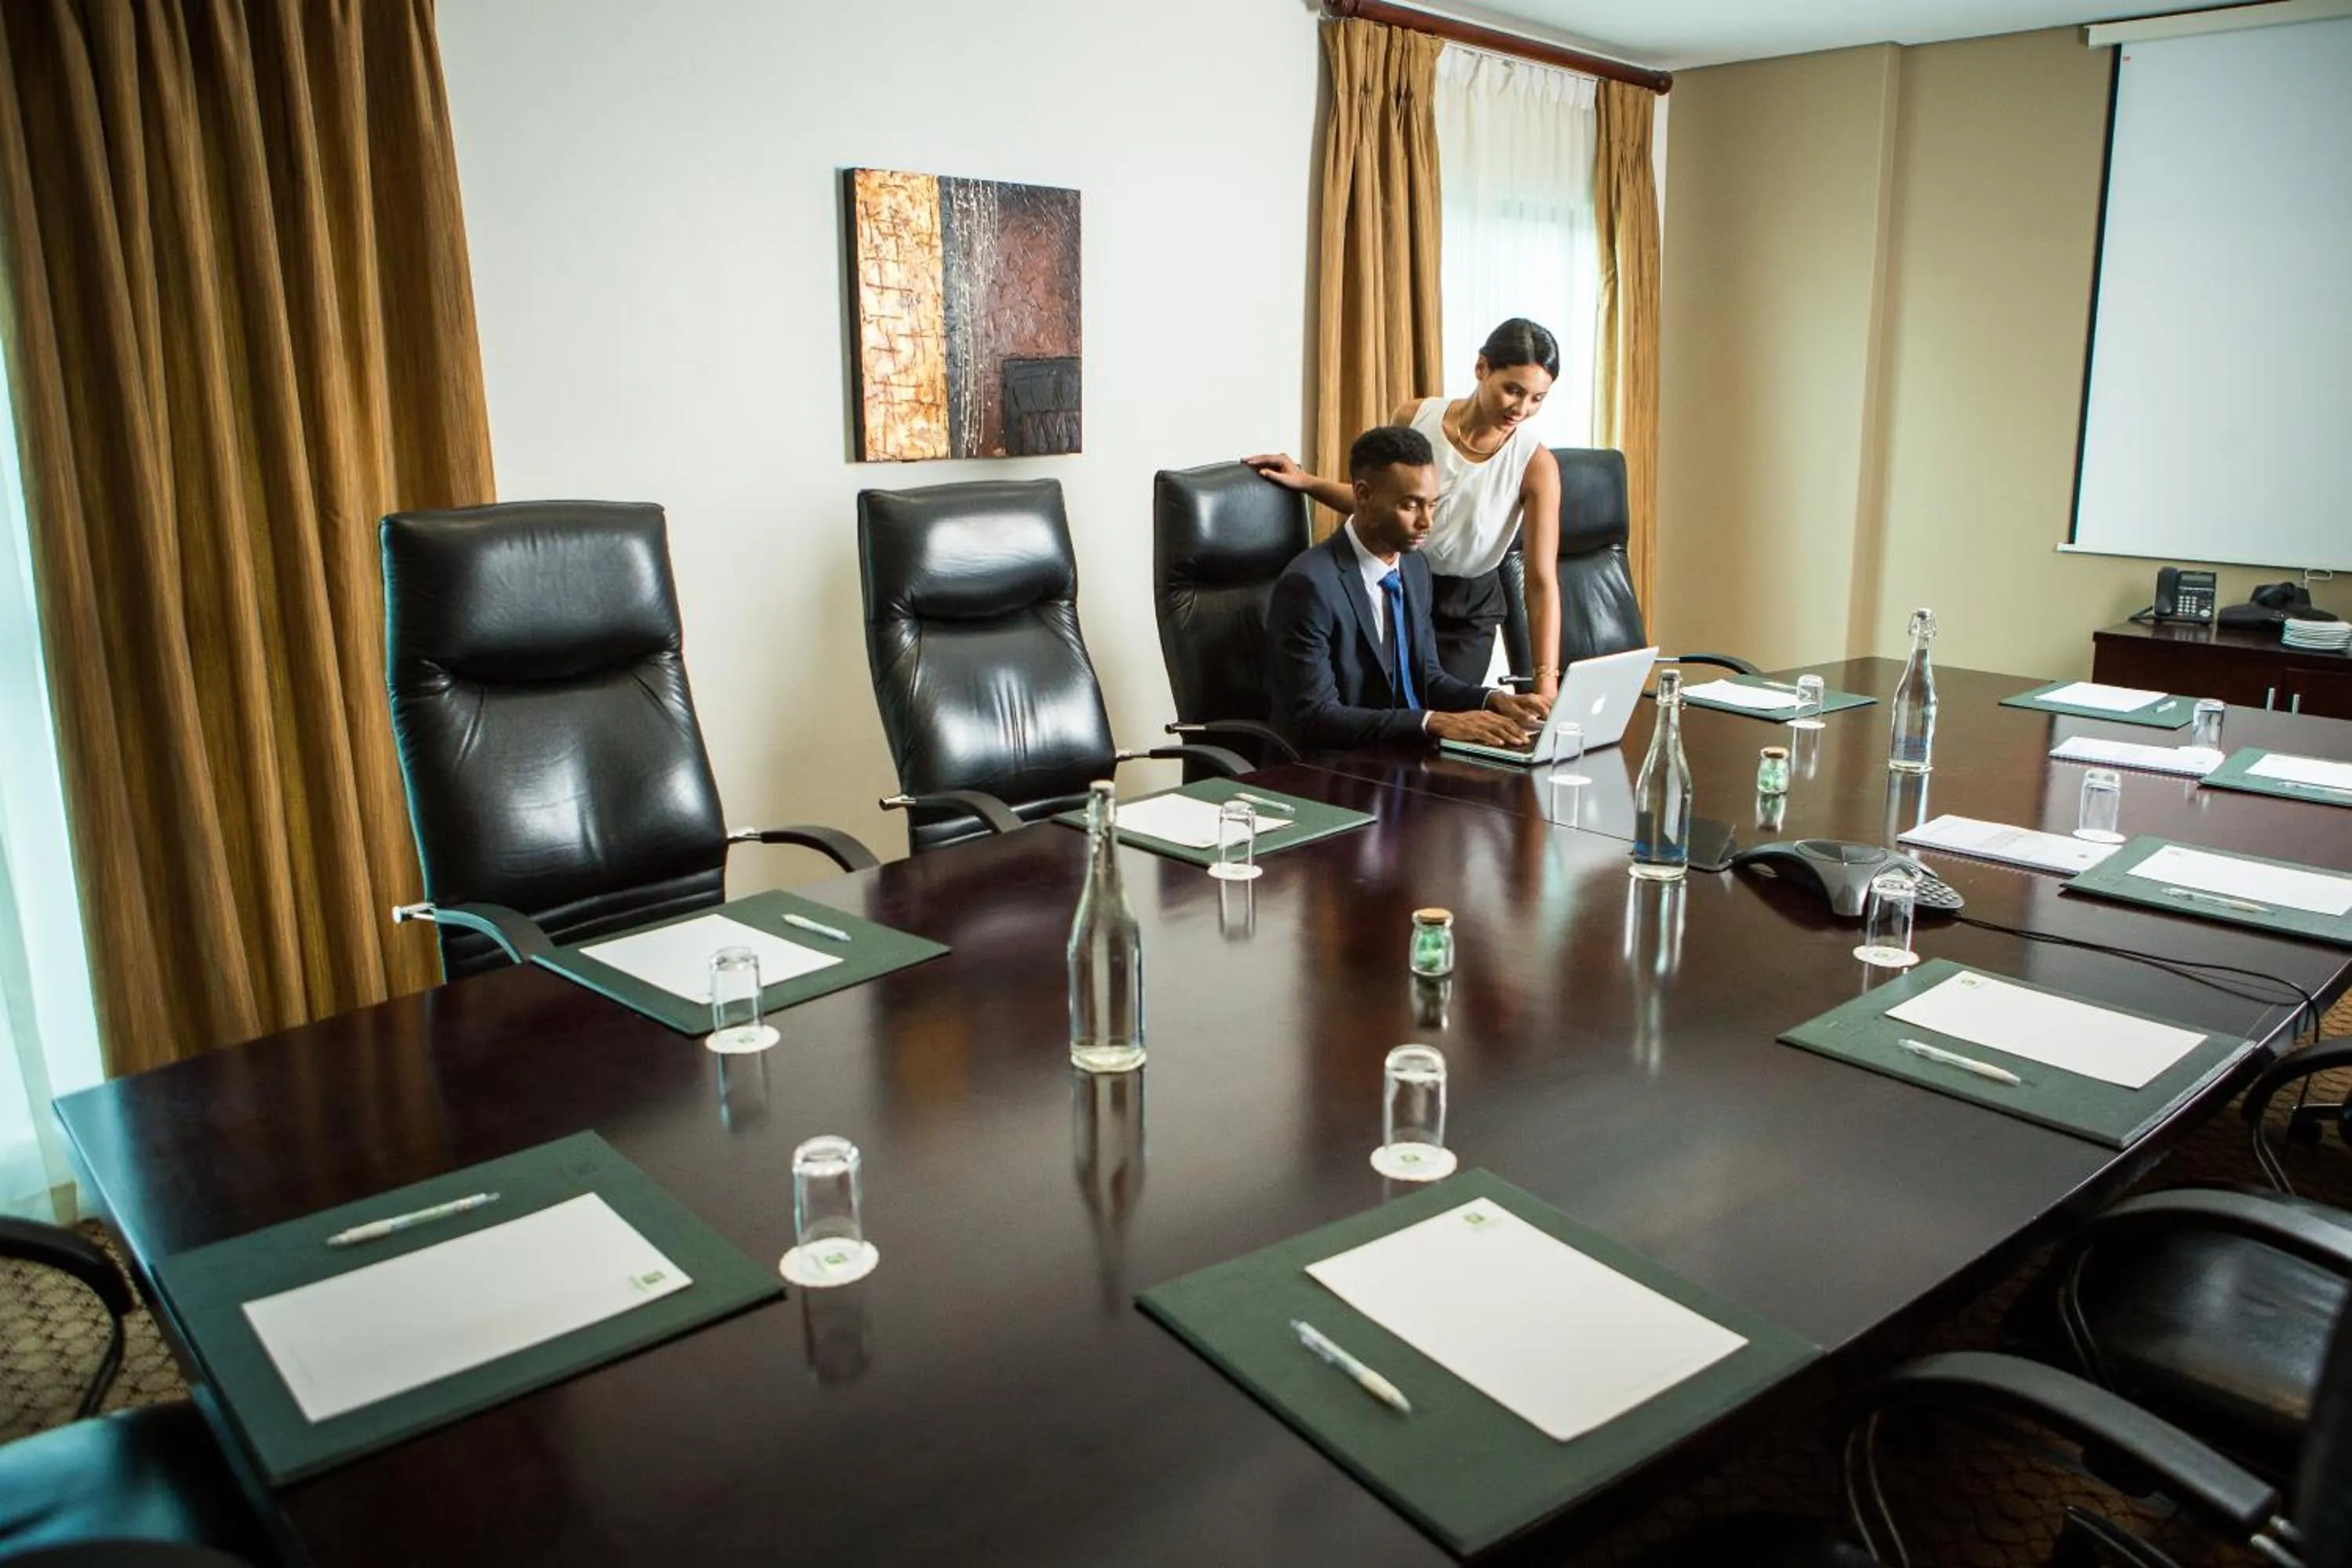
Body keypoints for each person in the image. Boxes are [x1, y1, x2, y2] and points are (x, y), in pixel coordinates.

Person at [1247, 318, 1566, 696]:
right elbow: (1381, 507)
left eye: (1537, 398)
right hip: (1401, 582)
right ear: (1482, 368)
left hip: (1466, 610)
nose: (1522, 408)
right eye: (1512, 390)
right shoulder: (1416, 417)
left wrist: (1547, 683)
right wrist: (1307, 482)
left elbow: (1541, 583)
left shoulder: (1536, 465)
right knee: (1382, 706)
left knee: (1450, 722)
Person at [1265, 424, 1552, 752]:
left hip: (1403, 756)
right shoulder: (1309, 584)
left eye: (1432, 505)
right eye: (1410, 505)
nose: (1427, 523)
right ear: (1363, 494)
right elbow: (1314, 716)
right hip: (1334, 767)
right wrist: (1433, 722)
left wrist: (1493, 700)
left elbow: (1427, 676)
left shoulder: (1415, 567)